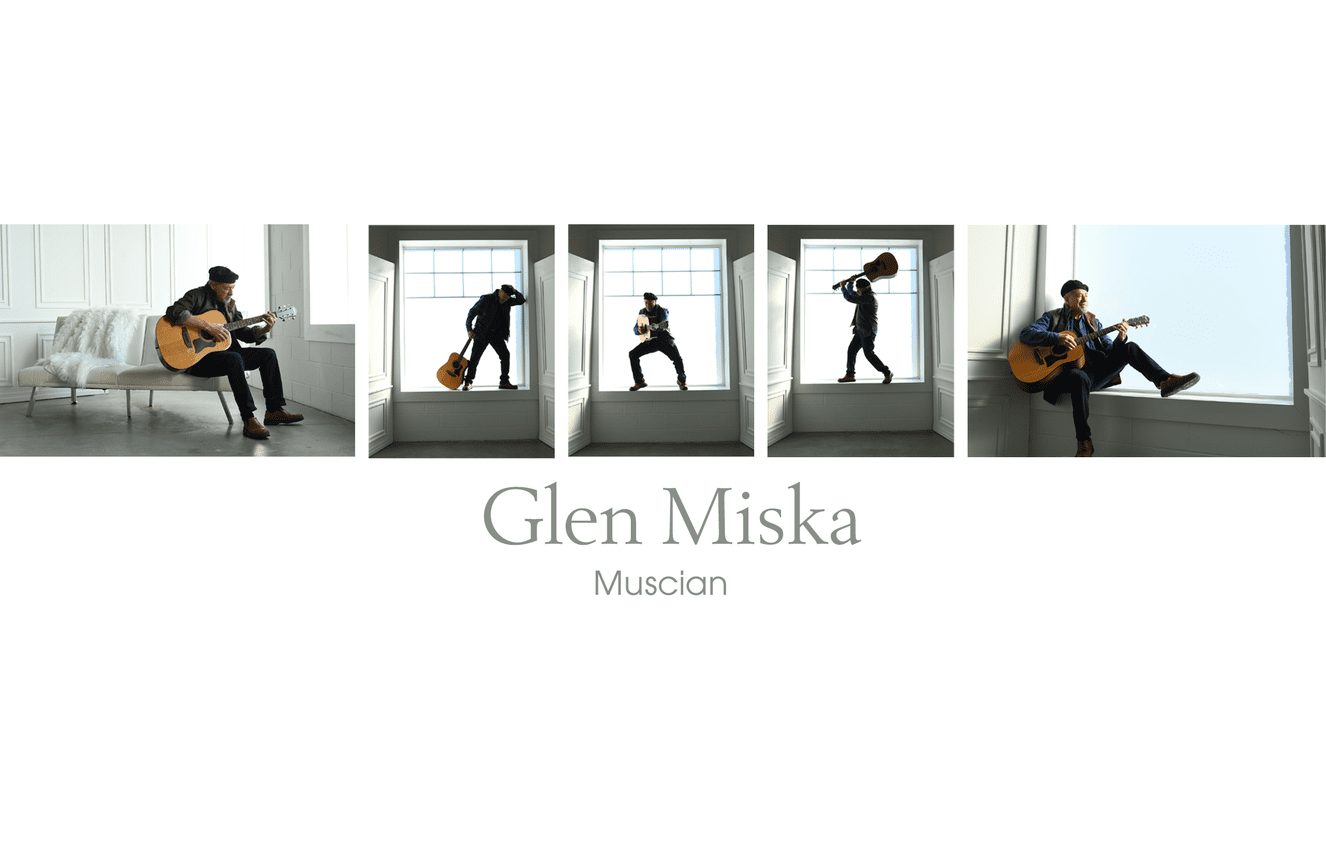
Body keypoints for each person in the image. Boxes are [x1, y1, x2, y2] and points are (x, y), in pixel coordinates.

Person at [1020, 279, 1200, 457]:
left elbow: (1110, 350)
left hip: (1096, 373)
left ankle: (1165, 381)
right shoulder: (1052, 317)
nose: (1084, 299)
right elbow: (1026, 334)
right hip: (1067, 375)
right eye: (1079, 295)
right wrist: (1056, 338)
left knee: (1129, 347)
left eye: (1086, 295)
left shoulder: (1093, 321)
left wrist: (1120, 338)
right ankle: (1084, 442)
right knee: (1078, 376)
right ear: (1067, 300)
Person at [164, 265, 302, 441]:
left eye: (233, 288)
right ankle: (249, 418)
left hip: (229, 355)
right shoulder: (196, 295)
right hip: (198, 360)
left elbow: (244, 334)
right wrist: (207, 327)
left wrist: (265, 328)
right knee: (234, 358)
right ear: (213, 285)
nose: (231, 293)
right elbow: (173, 312)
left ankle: (274, 410)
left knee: (268, 354)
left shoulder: (230, 306)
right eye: (227, 288)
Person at [462, 283, 526, 391]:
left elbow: (521, 300)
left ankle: (504, 382)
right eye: (504, 296)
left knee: (505, 355)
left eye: (507, 297)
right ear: (500, 292)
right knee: (475, 358)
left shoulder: (508, 301)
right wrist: (469, 329)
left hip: (496, 335)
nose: (505, 299)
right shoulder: (486, 299)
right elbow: (471, 313)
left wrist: (514, 291)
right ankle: (468, 382)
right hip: (481, 333)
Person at [837, 277, 893, 384]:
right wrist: (850, 284)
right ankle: (850, 375)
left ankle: (887, 372)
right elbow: (853, 294)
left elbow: (850, 298)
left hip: (867, 330)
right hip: (860, 330)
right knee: (851, 351)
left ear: (866, 288)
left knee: (869, 354)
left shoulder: (869, 297)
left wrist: (843, 287)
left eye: (859, 289)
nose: (858, 291)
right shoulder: (864, 295)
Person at [628, 292, 687, 391]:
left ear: (655, 302)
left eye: (650, 303)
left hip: (664, 340)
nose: (647, 305)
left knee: (677, 359)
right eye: (646, 303)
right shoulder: (641, 312)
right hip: (650, 341)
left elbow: (665, 323)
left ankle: (682, 380)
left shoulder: (662, 310)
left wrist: (658, 327)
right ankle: (639, 381)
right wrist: (639, 330)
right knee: (633, 354)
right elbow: (635, 328)